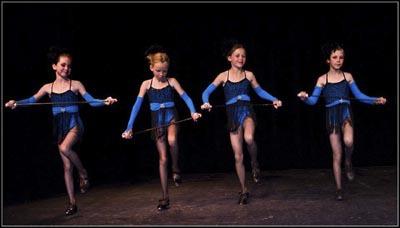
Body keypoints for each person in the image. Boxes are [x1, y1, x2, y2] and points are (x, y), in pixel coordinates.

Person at [5, 47, 118, 216]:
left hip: (74, 123)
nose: (67, 68)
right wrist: (16, 103)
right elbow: (32, 100)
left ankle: (83, 173)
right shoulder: (47, 88)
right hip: (60, 126)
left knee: (65, 148)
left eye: (69, 66)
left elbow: (92, 101)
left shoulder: (76, 84)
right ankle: (73, 203)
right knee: (66, 167)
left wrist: (105, 101)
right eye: (63, 65)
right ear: (54, 66)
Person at [297, 41, 387, 201]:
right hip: (331, 116)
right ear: (328, 60)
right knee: (336, 153)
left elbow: (359, 96)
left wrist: (375, 100)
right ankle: (339, 188)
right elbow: (312, 101)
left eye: (341, 57)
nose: (338, 60)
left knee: (349, 141)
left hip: (345, 112)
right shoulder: (322, 79)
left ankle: (348, 161)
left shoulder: (348, 76)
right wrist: (304, 98)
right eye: (335, 57)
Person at [200, 41, 282, 205]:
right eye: (237, 55)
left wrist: (274, 99)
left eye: (243, 56)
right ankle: (244, 190)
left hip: (247, 111)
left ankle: (254, 162)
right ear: (229, 58)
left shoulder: (249, 75)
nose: (241, 58)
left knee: (249, 138)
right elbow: (206, 92)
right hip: (232, 116)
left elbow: (259, 91)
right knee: (238, 155)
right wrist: (206, 102)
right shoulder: (223, 76)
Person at [121, 45, 202, 211]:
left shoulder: (172, 81)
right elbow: (136, 106)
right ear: (151, 68)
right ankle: (165, 197)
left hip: (171, 116)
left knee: (172, 140)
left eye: (165, 71)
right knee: (163, 158)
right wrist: (129, 128)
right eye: (158, 71)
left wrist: (193, 111)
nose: (162, 74)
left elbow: (185, 96)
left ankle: (176, 168)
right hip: (157, 121)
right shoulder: (146, 84)